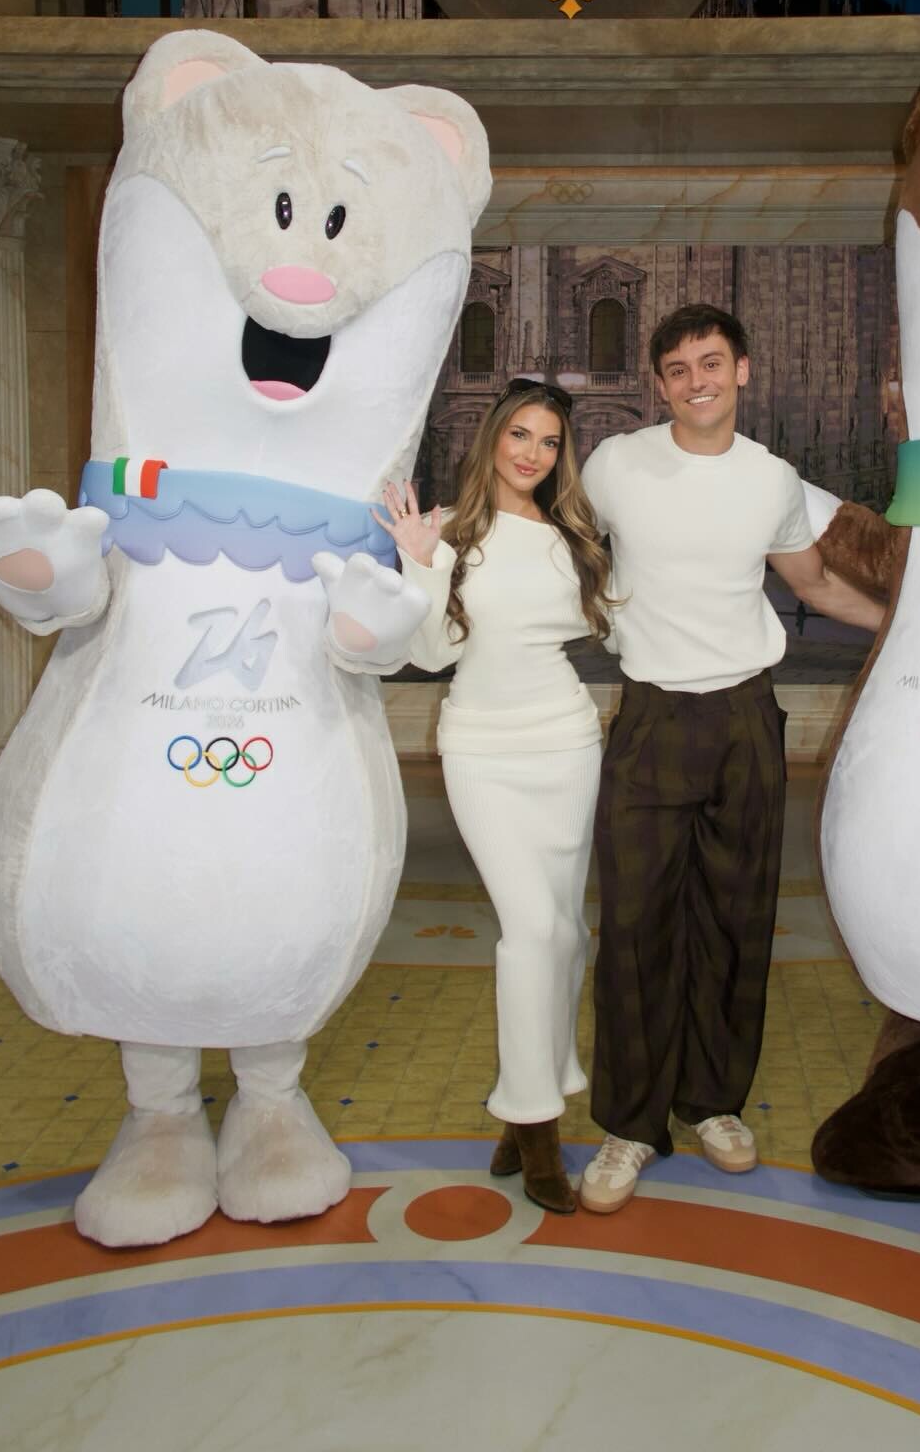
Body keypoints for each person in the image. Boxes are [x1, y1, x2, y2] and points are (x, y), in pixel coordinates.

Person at [577, 303, 885, 1214]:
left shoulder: (771, 479)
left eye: (711, 363)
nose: (696, 382)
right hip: (650, 717)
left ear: (742, 370)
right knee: (635, 928)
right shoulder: (615, 464)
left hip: (746, 717)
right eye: (677, 369)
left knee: (736, 919)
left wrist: (905, 626)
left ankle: (712, 1103)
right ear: (659, 384)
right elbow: (560, 544)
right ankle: (631, 1126)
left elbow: (814, 584)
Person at [376, 379, 615, 1214]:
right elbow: (432, 653)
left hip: (567, 742)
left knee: (565, 932)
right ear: (493, 438)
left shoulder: (574, 536)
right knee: (531, 930)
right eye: (520, 435)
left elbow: (602, 625)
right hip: (481, 747)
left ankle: (526, 1109)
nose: (532, 454)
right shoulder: (451, 532)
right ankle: (538, 1124)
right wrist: (419, 561)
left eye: (549, 442)